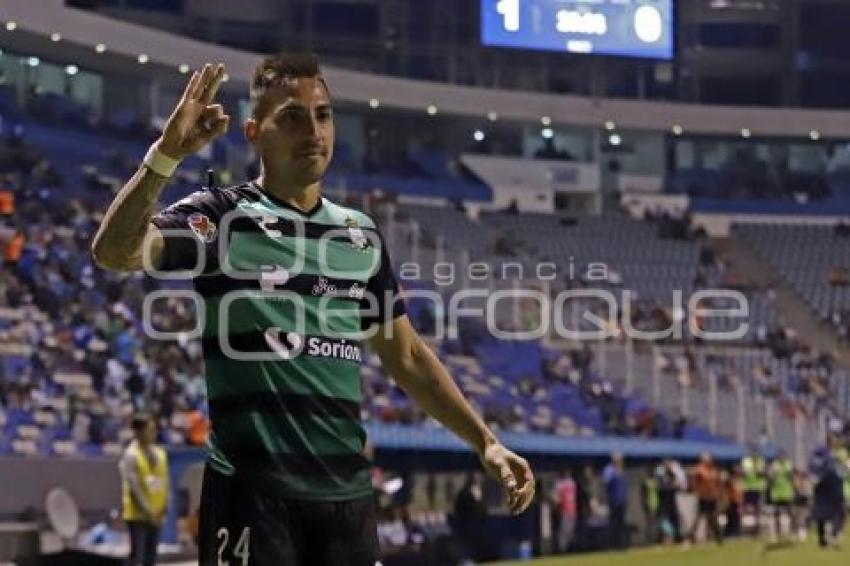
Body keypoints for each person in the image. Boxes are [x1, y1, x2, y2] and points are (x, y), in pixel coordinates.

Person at [91, 55, 535, 566]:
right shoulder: (220, 216)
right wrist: (165, 155)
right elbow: (114, 251)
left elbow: (407, 355)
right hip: (251, 499)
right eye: (293, 117)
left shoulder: (360, 234)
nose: (314, 130)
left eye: (323, 115)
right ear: (255, 132)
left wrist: (487, 444)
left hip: (345, 503)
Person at [119, 413, 169, 566]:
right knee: (137, 557)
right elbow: (134, 487)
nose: (154, 433)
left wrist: (163, 509)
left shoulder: (160, 453)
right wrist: (148, 511)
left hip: (157, 513)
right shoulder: (131, 455)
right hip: (138, 515)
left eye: (154, 429)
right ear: (138, 432)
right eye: (150, 429)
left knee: (151, 557)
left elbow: (165, 482)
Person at [811, 446, 846, 549]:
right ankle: (830, 536)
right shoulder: (832, 464)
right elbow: (841, 476)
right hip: (831, 494)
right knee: (837, 516)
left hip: (825, 494)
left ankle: (824, 539)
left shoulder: (818, 465)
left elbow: (815, 481)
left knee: (822, 517)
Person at [690, 452, 723, 545]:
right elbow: (694, 482)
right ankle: (691, 536)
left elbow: (718, 482)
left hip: (712, 497)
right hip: (703, 496)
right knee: (699, 516)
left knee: (712, 518)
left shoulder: (713, 470)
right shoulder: (699, 470)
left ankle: (718, 537)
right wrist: (696, 491)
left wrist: (718, 492)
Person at [767, 451, 796, 542]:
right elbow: (770, 478)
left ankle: (792, 533)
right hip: (776, 493)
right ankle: (776, 535)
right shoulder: (774, 466)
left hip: (787, 492)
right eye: (780, 456)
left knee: (790, 513)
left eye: (783, 456)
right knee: (776, 514)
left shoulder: (788, 465)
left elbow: (791, 477)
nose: (782, 458)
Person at [603, 453, 628, 549]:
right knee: (614, 523)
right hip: (613, 500)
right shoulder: (609, 470)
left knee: (621, 522)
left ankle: (622, 544)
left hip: (622, 500)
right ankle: (613, 544)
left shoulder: (621, 470)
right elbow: (606, 483)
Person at [741, 446, 767, 536]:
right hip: (747, 487)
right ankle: (743, 528)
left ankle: (757, 528)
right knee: (745, 507)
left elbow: (763, 473)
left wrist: (759, 470)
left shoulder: (760, 462)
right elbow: (743, 472)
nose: (754, 454)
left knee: (757, 508)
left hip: (757, 488)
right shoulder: (746, 461)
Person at [552, 469, 577, 553]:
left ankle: (564, 549)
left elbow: (556, 498)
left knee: (565, 531)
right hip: (569, 509)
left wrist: (555, 505)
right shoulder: (571, 483)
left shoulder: (561, 483)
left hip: (567, 510)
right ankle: (565, 549)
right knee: (566, 531)